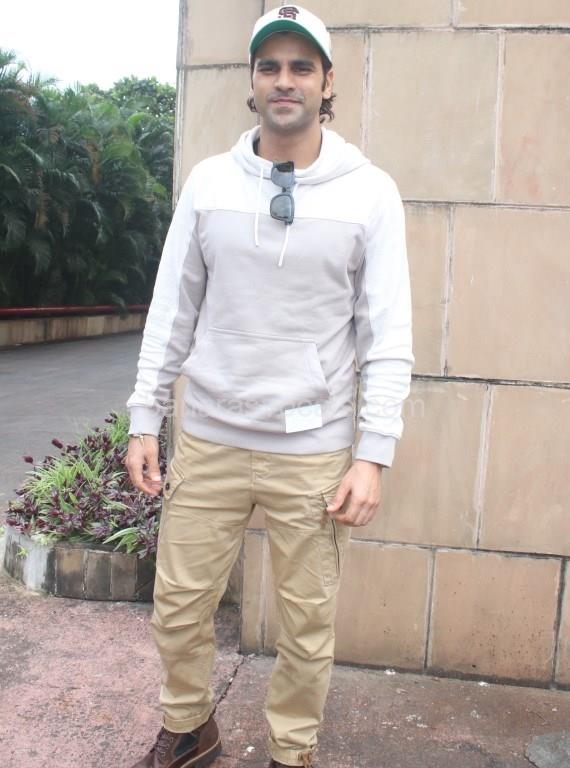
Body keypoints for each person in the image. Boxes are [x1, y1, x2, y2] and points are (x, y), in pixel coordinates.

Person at [125, 5, 414, 767]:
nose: (284, 80)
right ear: (252, 82)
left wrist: (372, 454)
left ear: (326, 83)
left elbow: (386, 335)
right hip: (211, 437)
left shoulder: (369, 192)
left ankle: (293, 751)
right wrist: (144, 417)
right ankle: (190, 726)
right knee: (178, 607)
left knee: (306, 624)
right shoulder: (210, 182)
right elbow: (173, 308)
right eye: (269, 67)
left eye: (300, 67)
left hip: (312, 451)